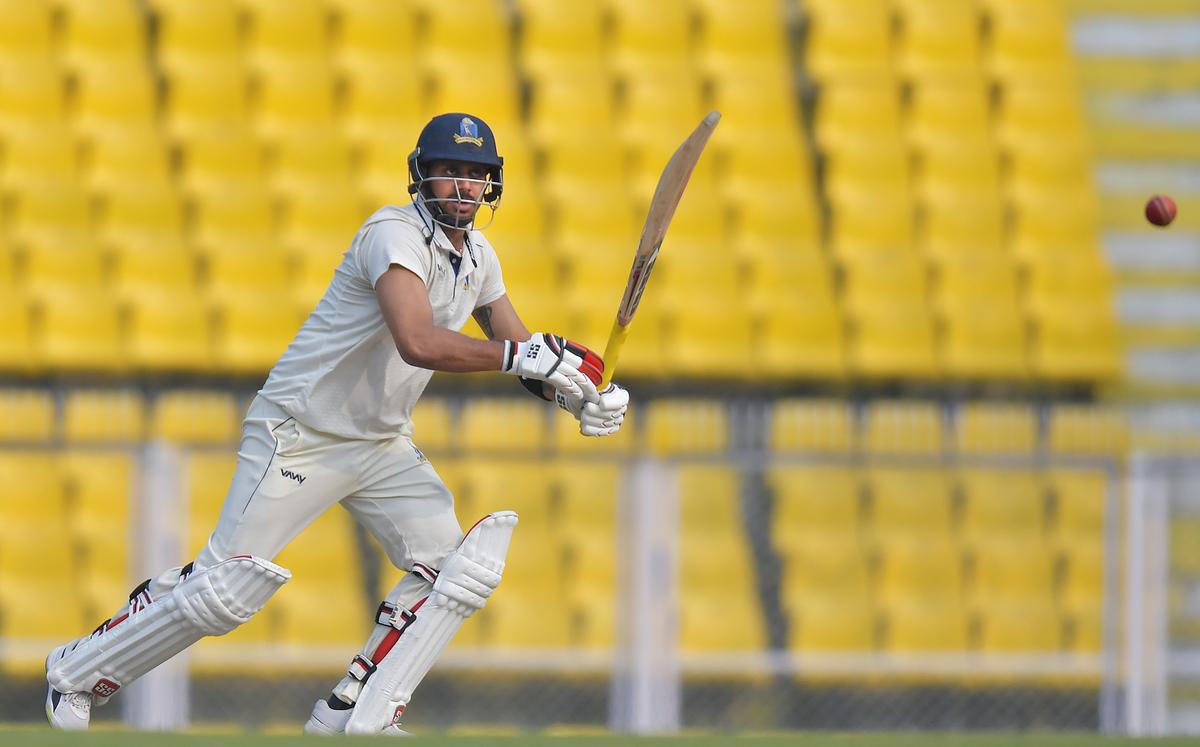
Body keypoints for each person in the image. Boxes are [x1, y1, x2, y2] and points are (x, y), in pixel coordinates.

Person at [44, 112, 630, 736]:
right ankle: (76, 673)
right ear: (421, 177)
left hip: (381, 442)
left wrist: (577, 396)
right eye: (449, 173)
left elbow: (519, 352)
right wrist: (527, 355)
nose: (462, 187)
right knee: (224, 590)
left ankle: (353, 707)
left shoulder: (480, 256)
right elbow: (418, 342)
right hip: (300, 430)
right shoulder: (393, 234)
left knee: (452, 570)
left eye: (475, 176)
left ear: (492, 185)